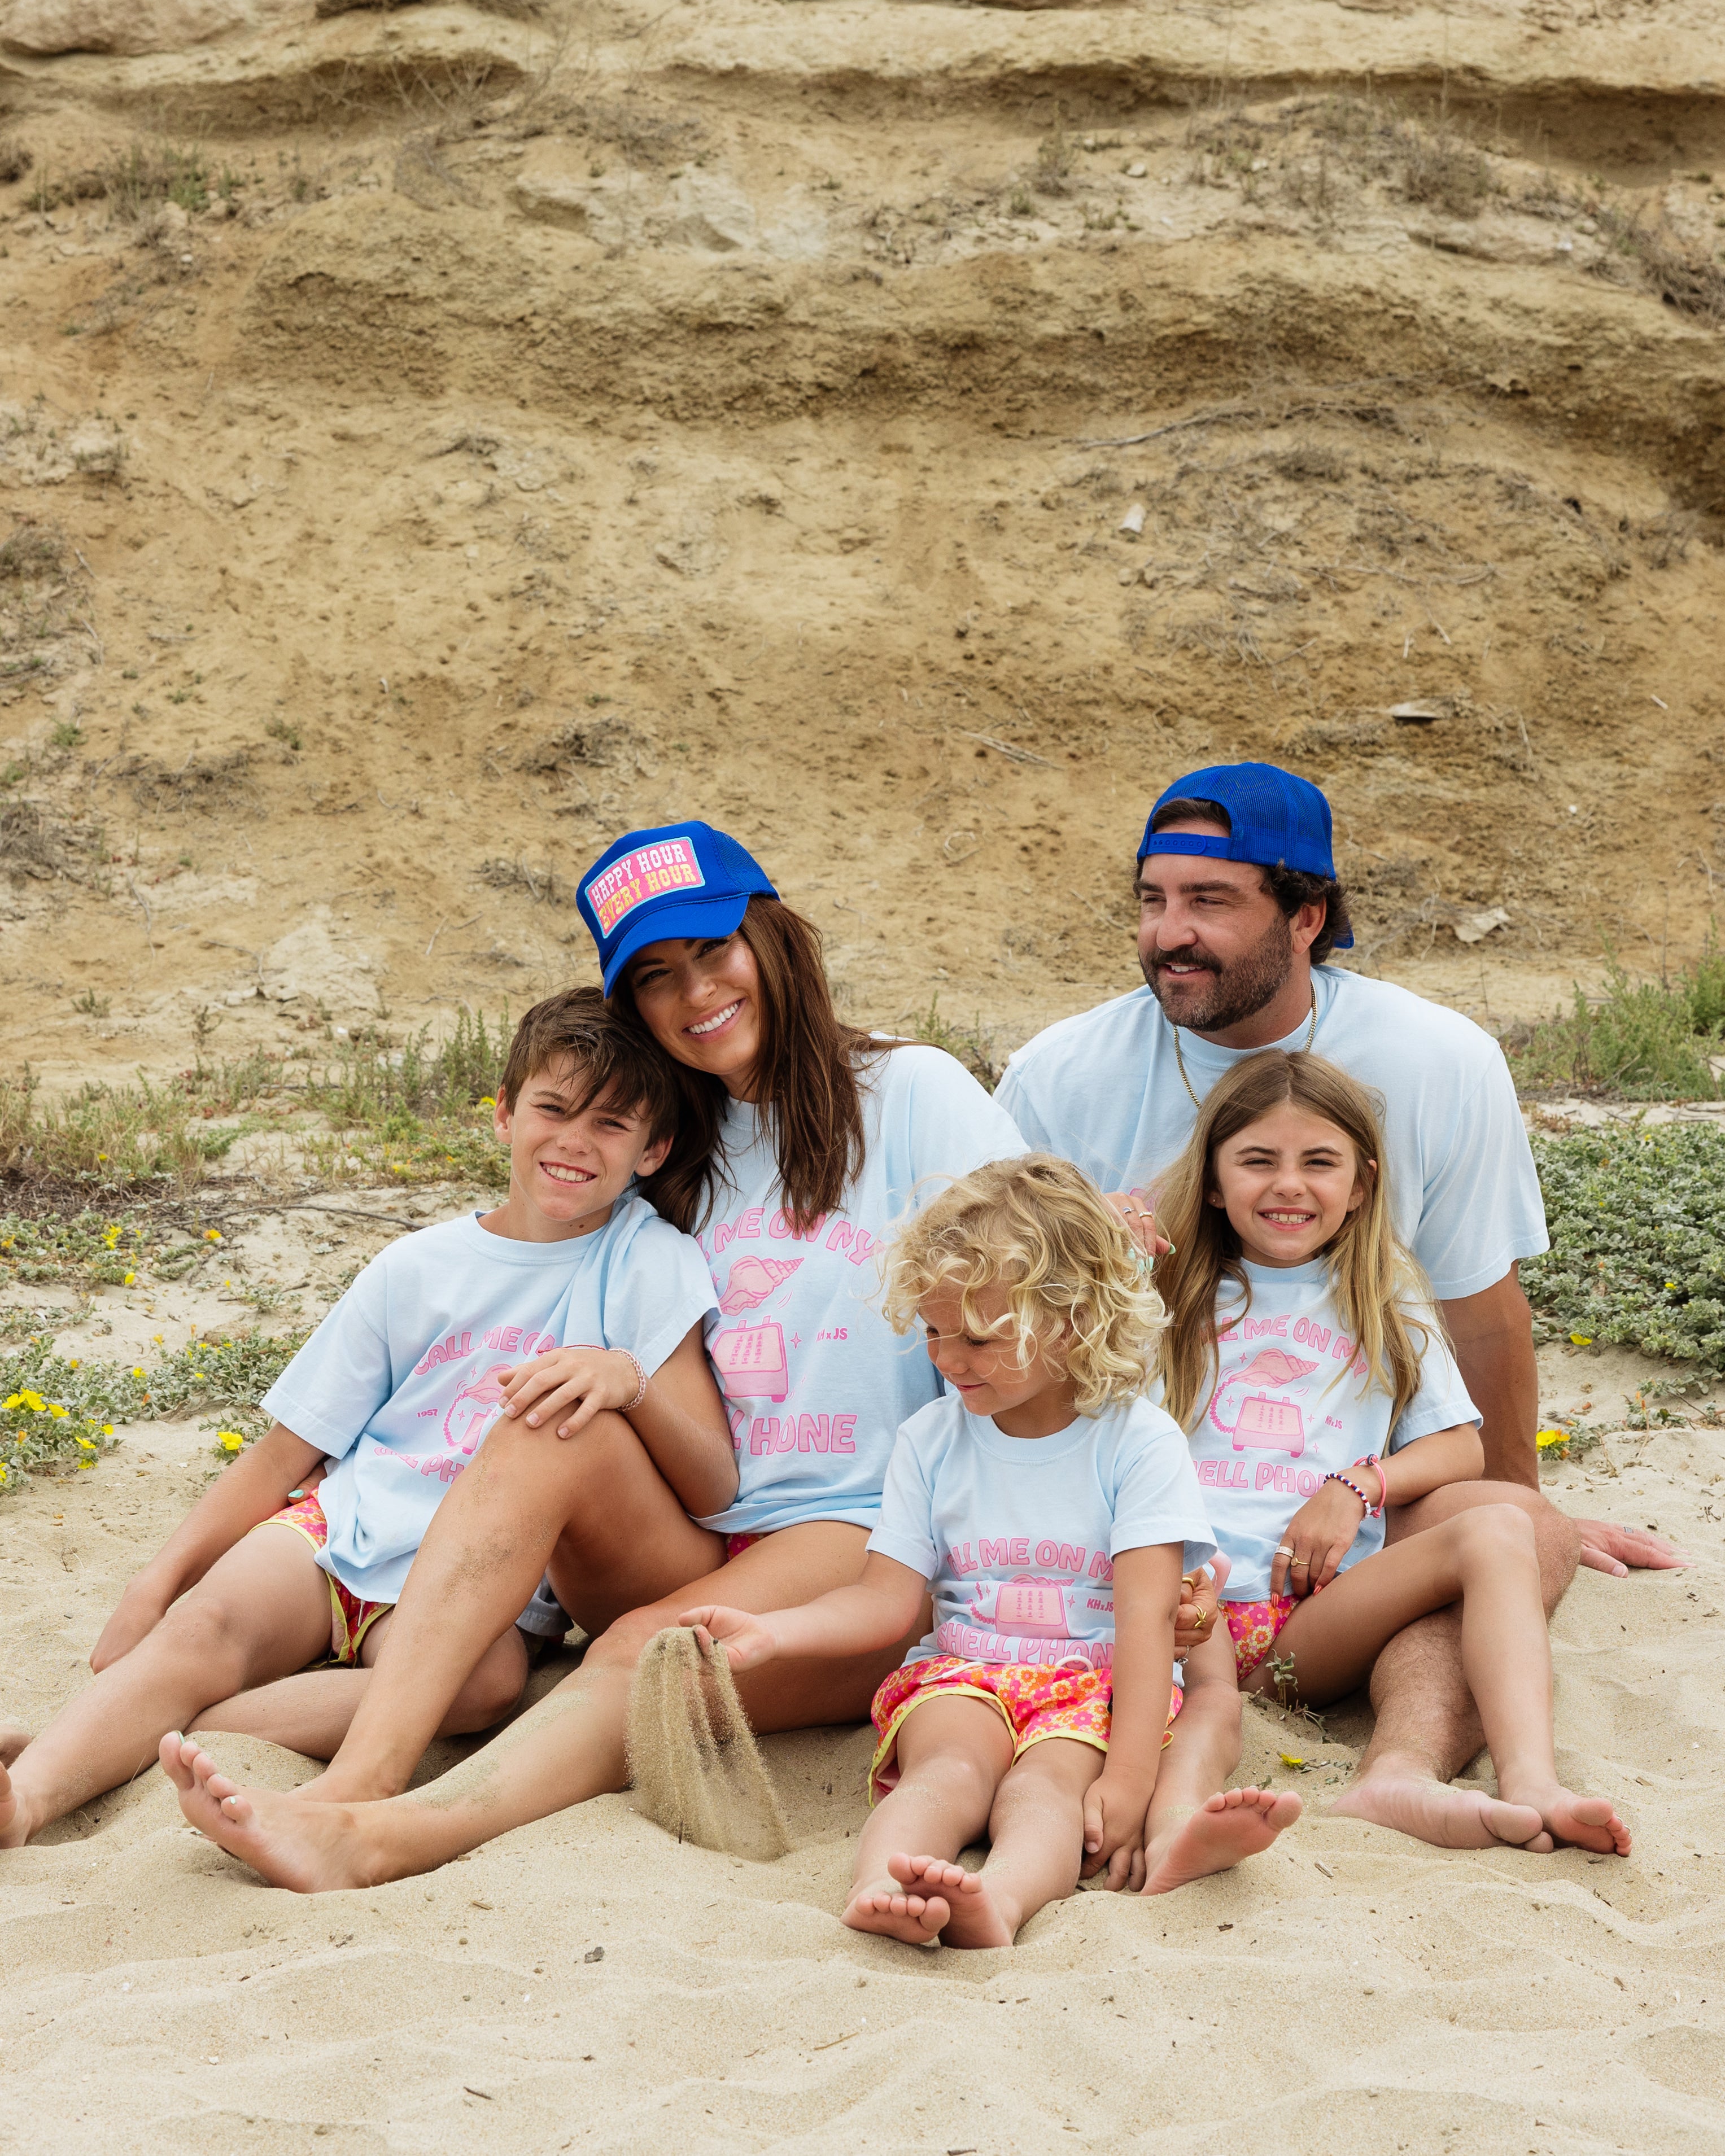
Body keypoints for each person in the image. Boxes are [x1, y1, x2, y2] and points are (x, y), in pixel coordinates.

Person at [157, 821, 1090, 1891]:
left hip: (870, 1527)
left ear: (772, 939)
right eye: (655, 977)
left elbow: (1046, 1280)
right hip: (697, 1522)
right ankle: (350, 1788)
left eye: (713, 951)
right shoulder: (661, 1145)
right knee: (547, 1423)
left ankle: (387, 1838)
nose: (695, 994)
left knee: (646, 1655)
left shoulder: (912, 1093)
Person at [994, 760, 1680, 1851]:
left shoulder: (1437, 1061)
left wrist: (1519, 1503)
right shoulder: (1059, 1074)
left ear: (1306, 916)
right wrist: (1089, 1258)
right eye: (1153, 899)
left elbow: (1479, 1305)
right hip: (1171, 1548)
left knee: (1515, 1525)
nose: (1170, 933)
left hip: (1339, 1527)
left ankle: (1407, 1769)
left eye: (1210, 901)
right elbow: (993, 1331)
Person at [0, 989, 728, 1849]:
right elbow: (282, 1457)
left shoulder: (648, 1262)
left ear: (655, 1150)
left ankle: (133, 1731)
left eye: (611, 1125)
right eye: (553, 1108)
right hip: (336, 1528)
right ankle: (31, 1797)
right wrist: (155, 1585)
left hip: (472, 1587)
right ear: (501, 1115)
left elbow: (715, 1480)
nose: (574, 1141)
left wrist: (628, 1378)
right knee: (205, 1626)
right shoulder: (417, 1267)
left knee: (487, 1688)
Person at [684, 1156, 1300, 1947]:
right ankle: (880, 1885)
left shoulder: (1137, 1444)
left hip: (1089, 1683)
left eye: (978, 1337)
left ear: (1072, 1319)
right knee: (946, 1774)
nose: (947, 1358)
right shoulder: (931, 1440)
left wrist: (1128, 1778)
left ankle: (1000, 1902)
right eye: (935, 1330)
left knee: (1044, 1794)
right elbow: (883, 1600)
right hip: (961, 1671)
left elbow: (1147, 1624)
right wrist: (777, 1633)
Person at [1153, 1047, 1627, 1854]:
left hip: (1307, 1618)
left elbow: (1455, 1448)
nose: (1289, 1185)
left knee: (1502, 1527)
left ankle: (1532, 1779)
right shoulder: (1168, 1295)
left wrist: (1357, 1485)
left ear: (1361, 1184)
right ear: (1211, 1179)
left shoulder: (1380, 1293)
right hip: (1184, 1613)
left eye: (1320, 1163)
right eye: (1257, 1161)